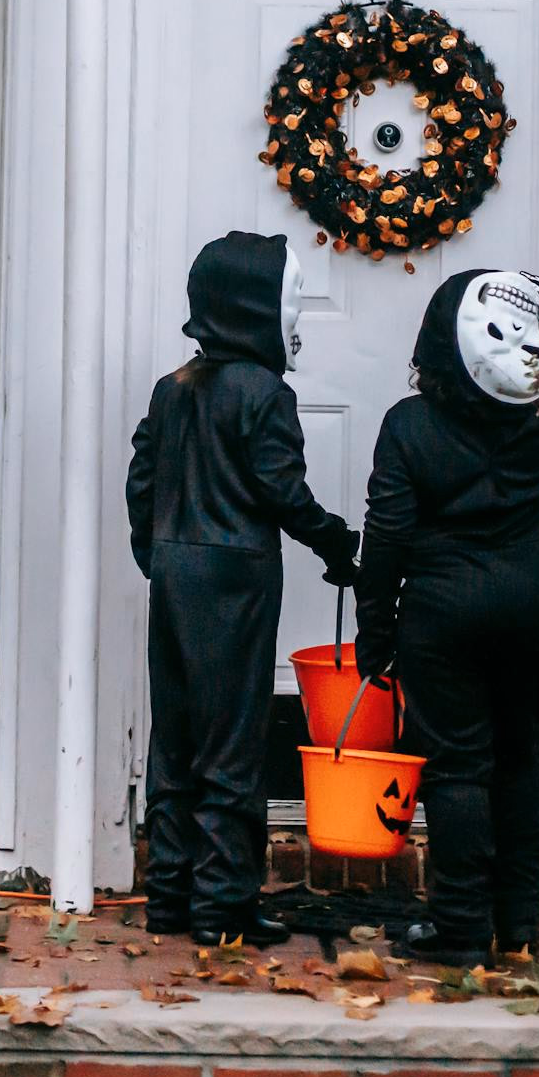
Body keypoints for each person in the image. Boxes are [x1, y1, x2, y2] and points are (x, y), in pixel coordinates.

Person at [127, 230, 361, 946]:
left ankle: (169, 894)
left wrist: (155, 552)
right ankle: (223, 905)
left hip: (174, 570)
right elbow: (281, 489)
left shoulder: (174, 389)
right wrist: (334, 540)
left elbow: (142, 477)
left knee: (177, 736)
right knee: (232, 740)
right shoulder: (265, 393)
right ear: (258, 311)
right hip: (235, 579)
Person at [353, 269, 539, 967]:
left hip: (441, 612)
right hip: (530, 603)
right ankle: (518, 922)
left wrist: (375, 632)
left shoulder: (408, 424)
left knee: (457, 769)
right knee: (520, 760)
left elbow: (386, 535)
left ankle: (460, 926)